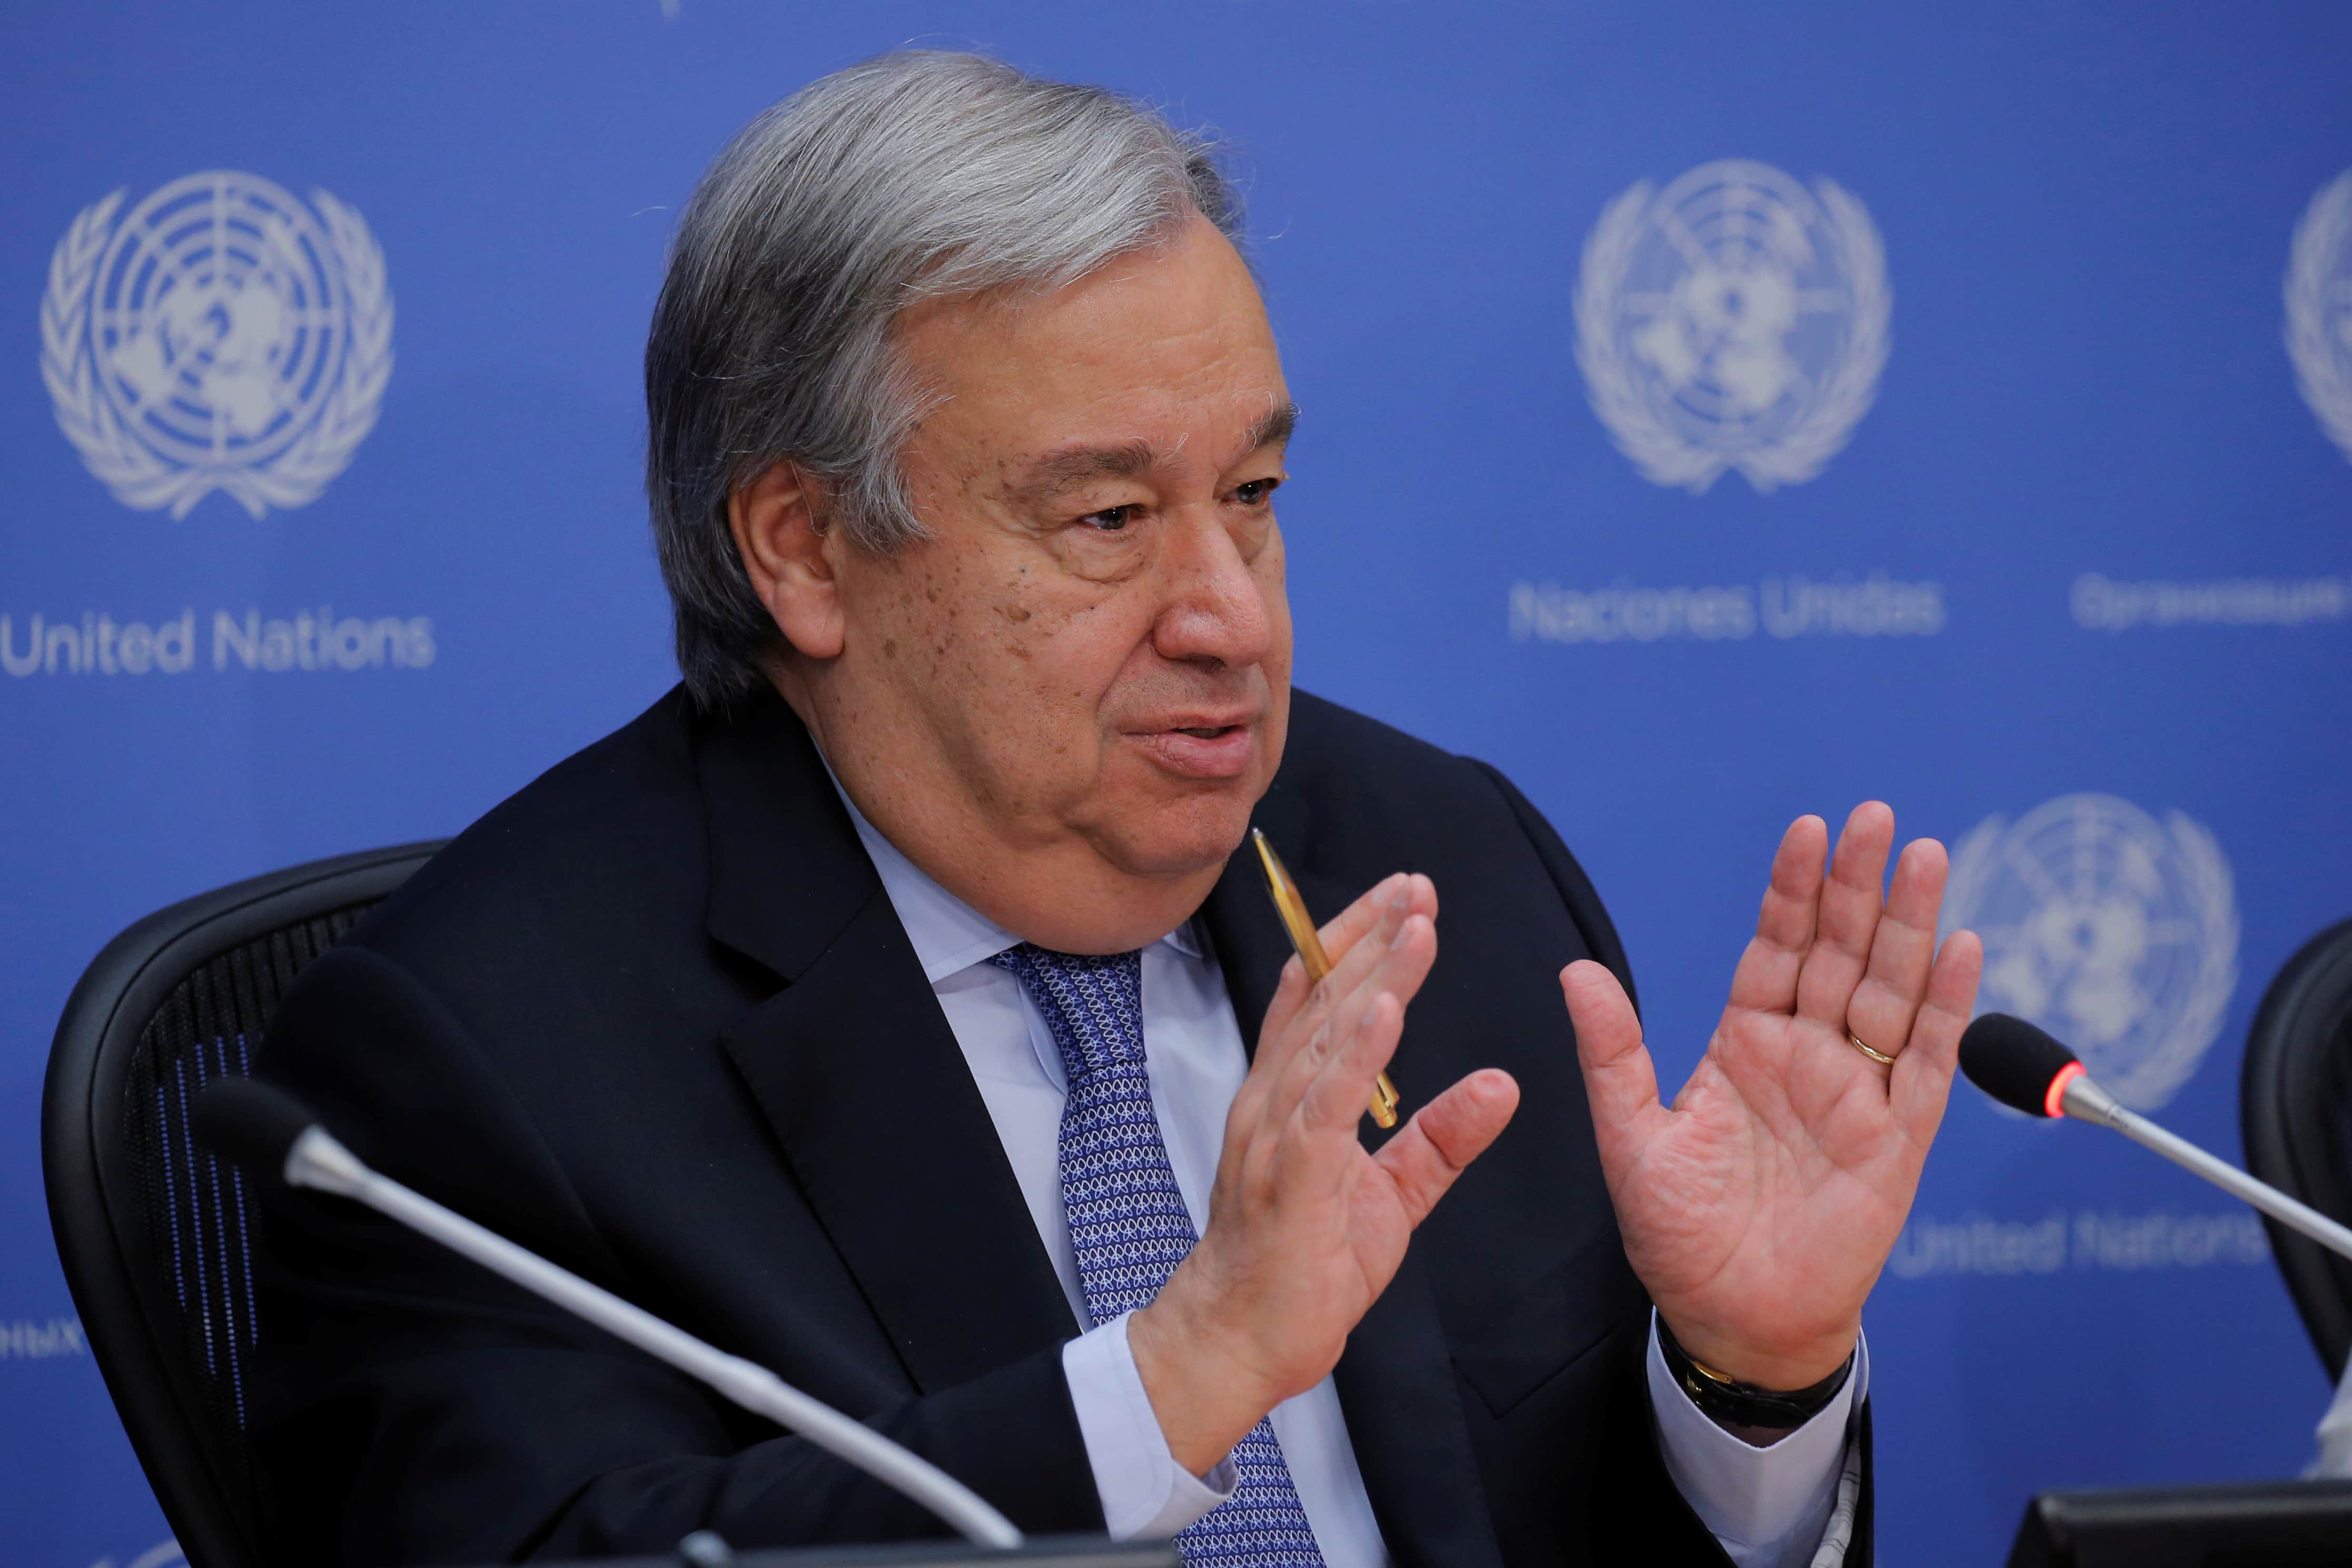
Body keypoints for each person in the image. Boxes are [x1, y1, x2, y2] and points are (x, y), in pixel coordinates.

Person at [249, 51, 1983, 1568]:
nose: (1228, 609)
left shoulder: (1431, 862)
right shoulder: (485, 1061)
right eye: (1104, 521)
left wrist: (1748, 1379)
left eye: (1251, 493)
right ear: (803, 548)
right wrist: (1173, 1382)